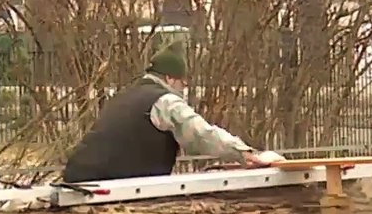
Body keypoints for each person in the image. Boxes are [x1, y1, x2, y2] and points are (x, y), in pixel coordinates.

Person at [62, 41, 285, 183]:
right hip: (115, 185)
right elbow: (201, 134)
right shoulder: (164, 101)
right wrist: (247, 154)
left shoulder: (124, 96)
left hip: (79, 177)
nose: (183, 89)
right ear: (169, 78)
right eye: (182, 83)